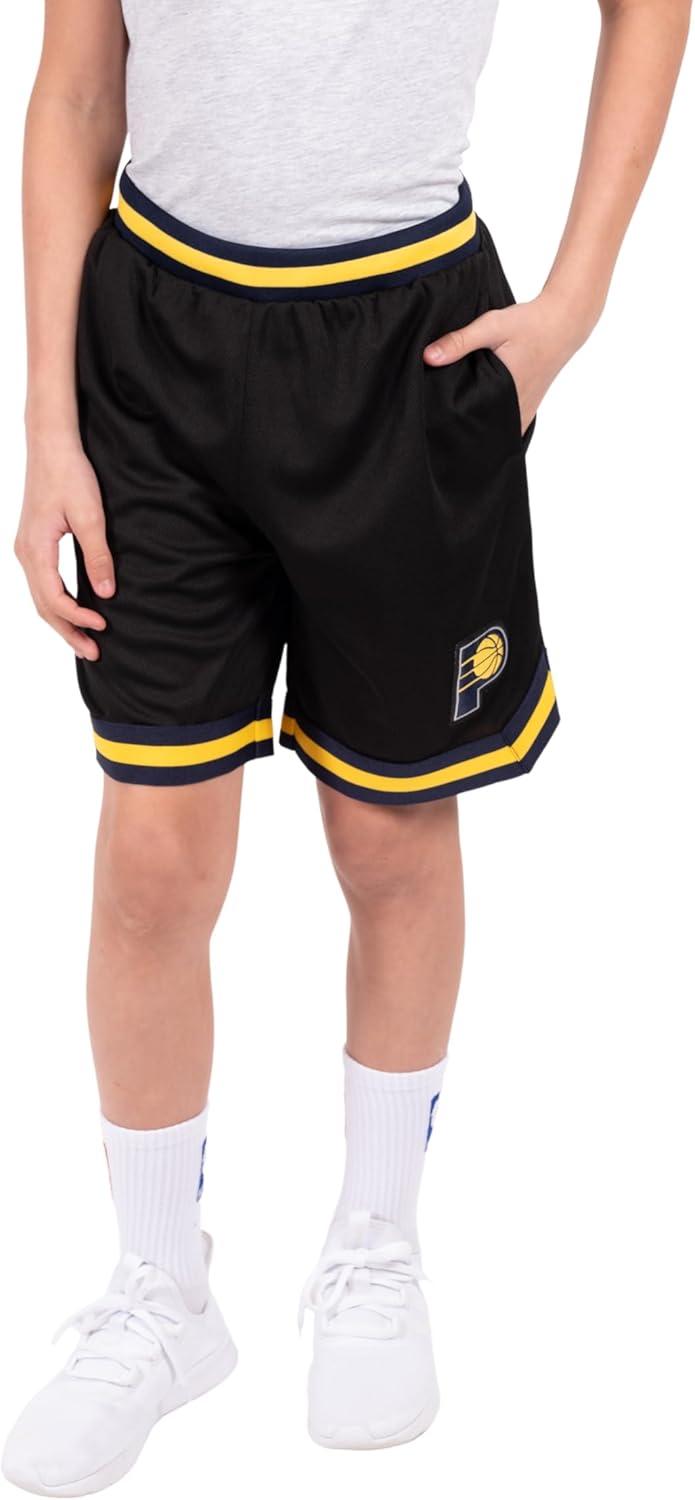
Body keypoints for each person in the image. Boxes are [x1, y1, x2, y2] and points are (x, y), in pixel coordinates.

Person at [3, 0, 690, 1490]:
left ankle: (377, 1244)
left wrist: (576, 299)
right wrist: (48, 423)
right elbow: (73, 93)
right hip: (155, 351)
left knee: (388, 836)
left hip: (405, 343)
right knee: (152, 863)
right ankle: (161, 1292)